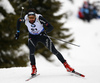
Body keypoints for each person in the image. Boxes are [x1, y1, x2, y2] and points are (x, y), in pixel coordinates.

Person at [15, 8, 74, 76]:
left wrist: (45, 32)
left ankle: (67, 66)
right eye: (30, 17)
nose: (31, 19)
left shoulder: (39, 18)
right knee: (31, 52)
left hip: (42, 35)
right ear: (28, 16)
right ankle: (34, 68)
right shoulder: (25, 19)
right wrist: (18, 32)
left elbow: (50, 27)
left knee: (54, 51)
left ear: (35, 16)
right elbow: (18, 21)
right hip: (32, 36)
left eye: (33, 17)